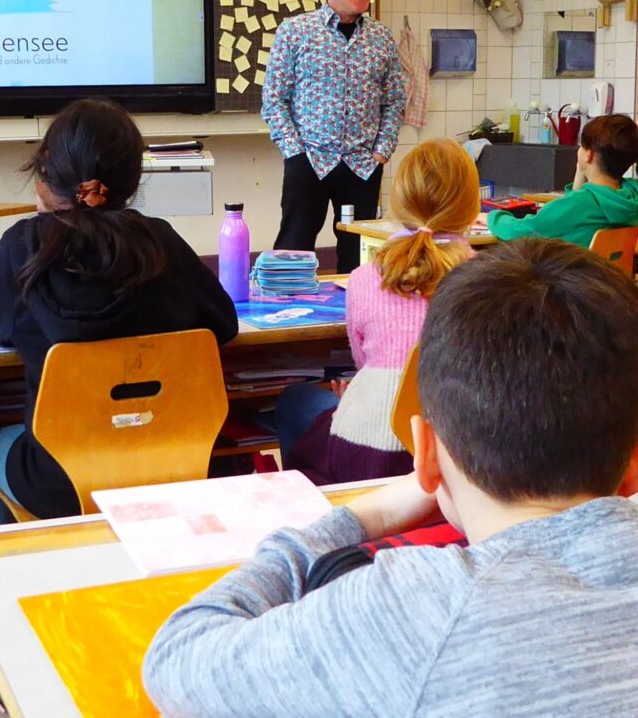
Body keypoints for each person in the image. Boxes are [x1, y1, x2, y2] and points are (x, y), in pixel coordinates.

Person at [143, 238, 638, 716]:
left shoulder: (417, 610)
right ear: (633, 462)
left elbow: (178, 661)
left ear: (423, 453)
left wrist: (361, 515)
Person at [0, 99, 238, 526]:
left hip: (59, 479)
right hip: (173, 464)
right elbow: (223, 324)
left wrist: (44, 221)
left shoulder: (24, 245)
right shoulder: (161, 241)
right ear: (130, 180)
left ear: (45, 174)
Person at [280, 138, 479, 484]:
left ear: (398, 202)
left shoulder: (364, 278)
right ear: (472, 208)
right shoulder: (491, 284)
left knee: (294, 402)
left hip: (367, 455)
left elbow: (362, 363)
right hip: (457, 463)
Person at [261, 0, 405, 274]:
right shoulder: (295, 32)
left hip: (362, 165)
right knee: (293, 252)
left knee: (359, 260)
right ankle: (288, 318)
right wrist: (294, 153)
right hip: (308, 160)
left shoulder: (381, 37)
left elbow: (395, 100)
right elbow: (274, 99)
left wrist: (381, 152)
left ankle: (353, 320)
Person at [488, 112, 638, 247]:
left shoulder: (580, 204)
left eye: (581, 145)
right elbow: (574, 206)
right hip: (608, 276)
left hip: (571, 276)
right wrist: (580, 173)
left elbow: (520, 232)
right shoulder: (631, 195)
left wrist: (494, 216)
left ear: (588, 155)